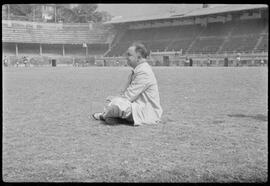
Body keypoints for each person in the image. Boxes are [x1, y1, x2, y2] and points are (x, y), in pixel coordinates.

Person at [91, 42, 163, 126]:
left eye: (129, 55)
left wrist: (115, 100)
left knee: (118, 103)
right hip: (138, 107)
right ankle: (112, 115)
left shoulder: (144, 72)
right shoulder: (138, 70)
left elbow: (129, 96)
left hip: (147, 112)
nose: (126, 57)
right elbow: (125, 93)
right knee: (115, 102)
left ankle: (105, 115)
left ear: (138, 57)